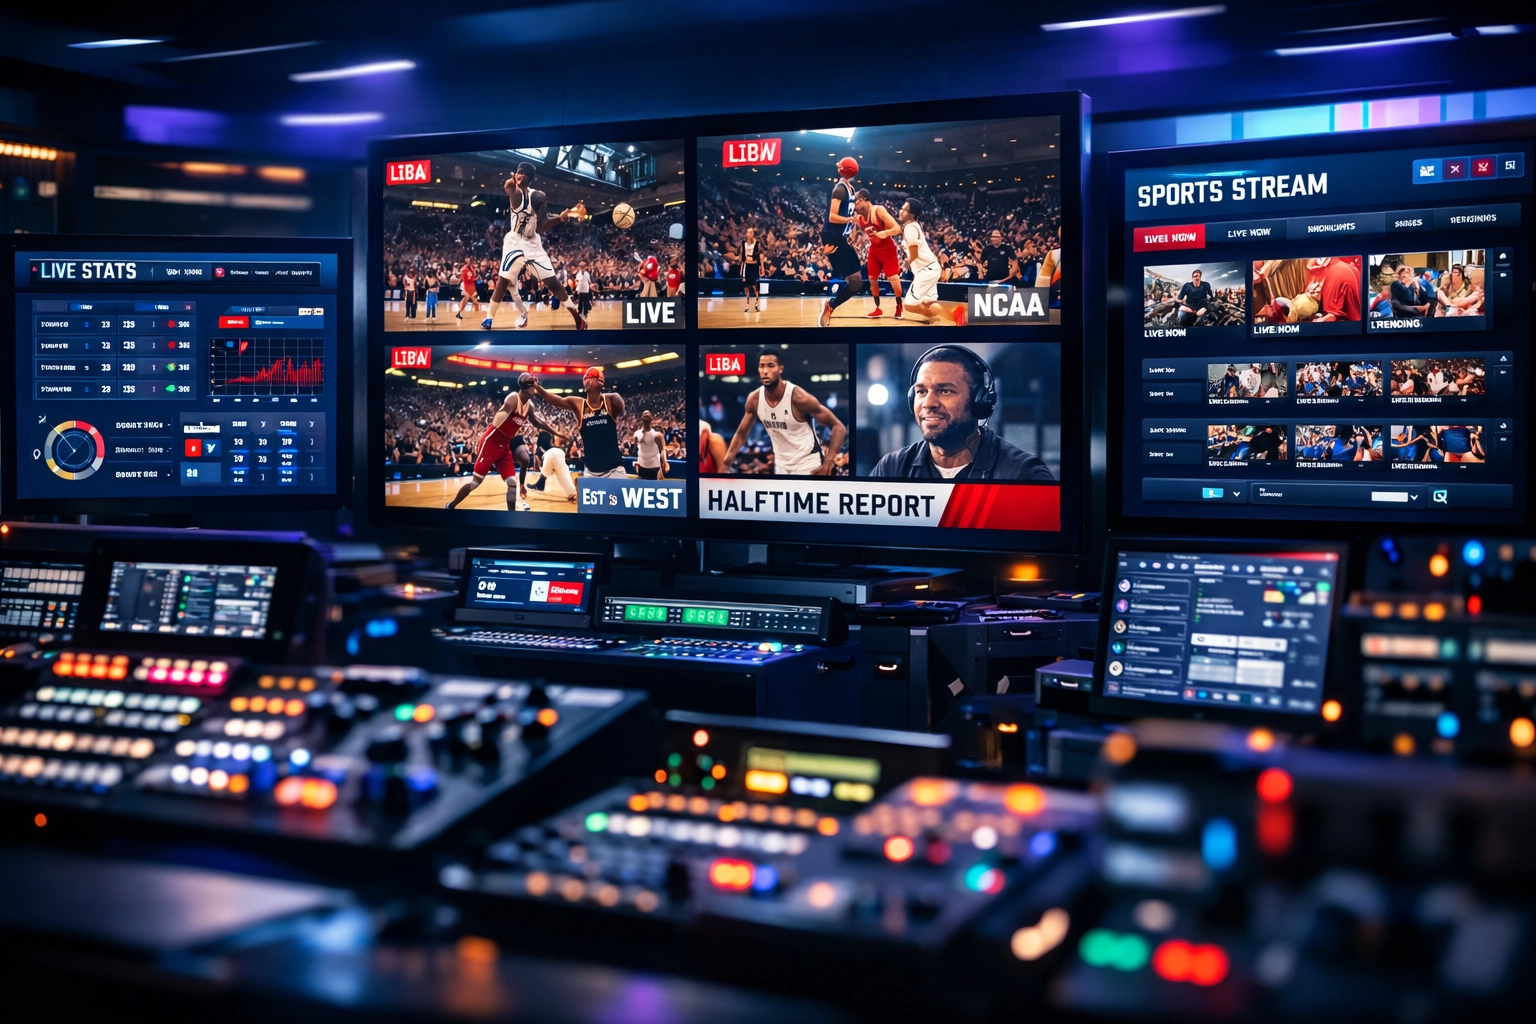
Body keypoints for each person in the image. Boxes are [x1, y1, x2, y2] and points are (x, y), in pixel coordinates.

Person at [869, 345, 1054, 481]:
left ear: (979, 400)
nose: (929, 403)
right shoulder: (892, 468)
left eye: (945, 391)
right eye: (921, 391)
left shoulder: (1023, 474)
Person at [481, 162, 587, 330]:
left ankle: (577, 317)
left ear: (529, 178)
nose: (518, 175)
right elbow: (508, 185)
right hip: (514, 241)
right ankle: (489, 318)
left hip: (532, 242)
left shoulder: (538, 196)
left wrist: (560, 219)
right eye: (517, 172)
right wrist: (512, 180)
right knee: (503, 280)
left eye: (522, 173)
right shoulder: (513, 191)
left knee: (552, 282)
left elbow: (543, 226)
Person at [445, 373, 566, 512]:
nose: (535, 390)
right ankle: (451, 505)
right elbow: (498, 419)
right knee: (475, 482)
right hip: (491, 443)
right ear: (526, 388)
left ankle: (511, 515)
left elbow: (538, 422)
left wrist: (556, 432)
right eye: (533, 387)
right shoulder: (513, 398)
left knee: (512, 483)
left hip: (504, 446)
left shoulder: (529, 406)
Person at [722, 351, 844, 477]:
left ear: (780, 369)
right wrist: (725, 464)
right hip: (781, 464)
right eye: (761, 366)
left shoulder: (799, 398)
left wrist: (828, 462)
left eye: (770, 365)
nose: (765, 371)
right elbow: (741, 433)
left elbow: (838, 427)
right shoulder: (754, 399)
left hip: (807, 462)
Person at [530, 366, 628, 479]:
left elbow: (622, 412)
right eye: (589, 378)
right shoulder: (579, 404)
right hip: (591, 472)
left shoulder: (611, 399)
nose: (591, 380)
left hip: (614, 469)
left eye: (593, 378)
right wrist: (537, 386)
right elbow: (556, 400)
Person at [818, 156, 868, 327]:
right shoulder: (840, 189)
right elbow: (832, 216)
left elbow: (848, 212)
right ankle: (830, 305)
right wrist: (850, 220)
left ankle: (831, 304)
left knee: (857, 282)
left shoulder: (851, 189)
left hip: (840, 237)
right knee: (854, 281)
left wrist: (851, 230)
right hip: (832, 237)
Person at [854, 190, 904, 319]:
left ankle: (899, 306)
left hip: (888, 248)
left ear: (863, 199)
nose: (854, 205)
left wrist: (884, 233)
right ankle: (877, 308)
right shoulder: (859, 218)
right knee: (872, 279)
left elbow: (897, 229)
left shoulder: (878, 210)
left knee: (893, 278)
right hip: (874, 250)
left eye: (855, 201)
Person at [897, 199, 946, 324]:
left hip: (926, 270)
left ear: (912, 214)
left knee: (909, 305)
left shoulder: (910, 228)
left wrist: (905, 265)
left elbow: (914, 253)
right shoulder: (913, 226)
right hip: (930, 268)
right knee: (927, 302)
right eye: (901, 208)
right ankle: (945, 317)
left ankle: (953, 314)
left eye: (905, 209)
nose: (901, 211)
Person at [633, 410, 667, 480]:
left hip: (649, 465)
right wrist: (664, 463)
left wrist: (664, 463)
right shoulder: (657, 435)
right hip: (647, 465)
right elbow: (663, 451)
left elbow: (663, 451)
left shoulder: (636, 434)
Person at [739, 226, 764, 313]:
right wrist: (741, 267)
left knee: (755, 285)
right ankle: (747, 304)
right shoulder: (744, 243)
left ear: (753, 234)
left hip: (754, 266)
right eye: (747, 232)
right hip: (747, 265)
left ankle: (756, 303)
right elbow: (742, 255)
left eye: (750, 232)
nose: (748, 234)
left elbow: (761, 255)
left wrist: (762, 267)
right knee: (746, 286)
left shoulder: (757, 243)